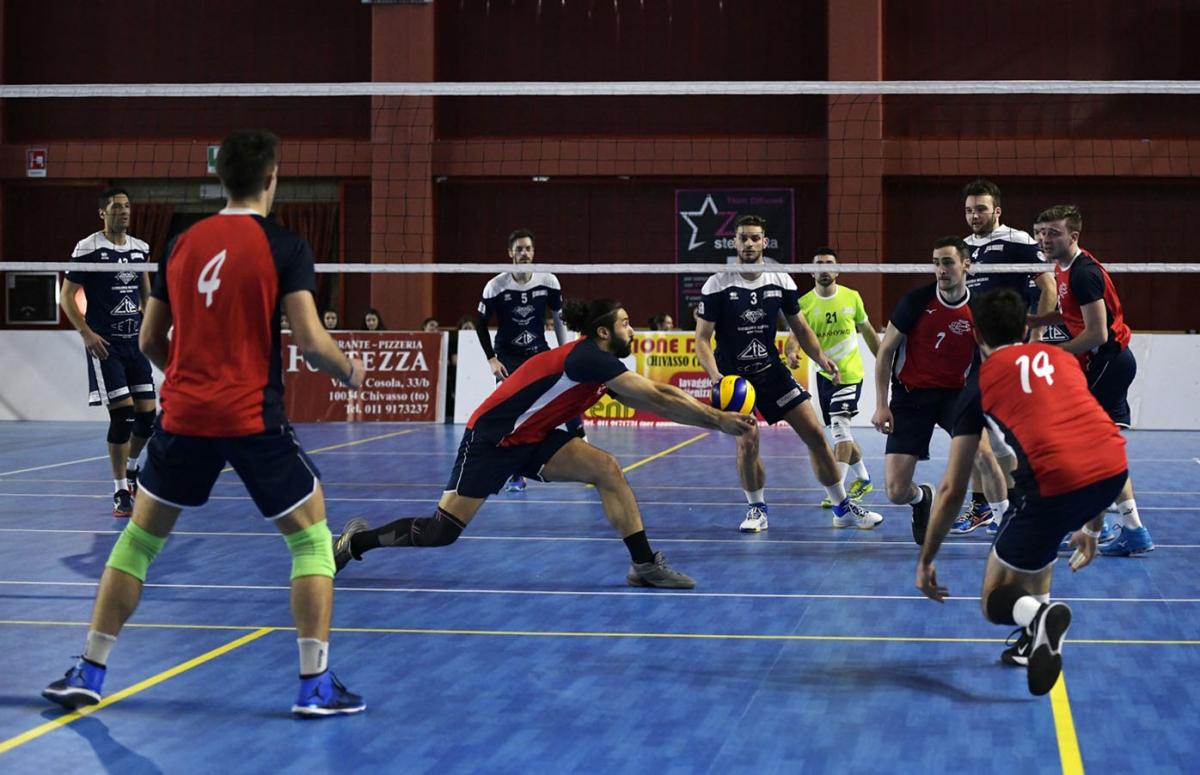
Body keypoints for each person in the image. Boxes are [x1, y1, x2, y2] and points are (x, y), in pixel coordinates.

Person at [42, 130, 368, 717]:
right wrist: (351, 370)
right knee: (313, 538)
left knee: (139, 540)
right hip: (251, 416)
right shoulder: (286, 246)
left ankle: (89, 671)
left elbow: (148, 340)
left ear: (222, 180)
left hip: (186, 414)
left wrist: (192, 377)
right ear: (272, 179)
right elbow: (313, 344)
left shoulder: (180, 244)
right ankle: (314, 684)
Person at [335, 298, 757, 588]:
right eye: (626, 322)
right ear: (603, 331)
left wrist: (713, 421)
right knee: (440, 532)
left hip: (534, 438)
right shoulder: (587, 356)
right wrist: (718, 418)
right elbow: (661, 395)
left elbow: (655, 403)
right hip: (491, 438)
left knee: (606, 469)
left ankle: (644, 565)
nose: (633, 327)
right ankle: (356, 542)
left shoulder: (602, 365)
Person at [915, 288, 1129, 695]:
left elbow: (952, 488)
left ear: (975, 334)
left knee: (994, 599)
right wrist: (1093, 527)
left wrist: (926, 559)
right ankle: (1035, 640)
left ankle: (1037, 619)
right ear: (1024, 325)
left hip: (1052, 486)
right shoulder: (1062, 359)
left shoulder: (978, 386)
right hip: (1113, 470)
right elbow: (1089, 439)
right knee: (1041, 543)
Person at [694, 215, 882, 533]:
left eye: (755, 238)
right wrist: (717, 379)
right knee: (748, 444)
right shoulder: (717, 283)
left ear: (765, 242)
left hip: (772, 372)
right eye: (743, 238)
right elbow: (701, 339)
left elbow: (801, 328)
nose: (749, 243)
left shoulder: (781, 279)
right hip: (735, 380)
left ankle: (842, 507)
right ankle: (757, 509)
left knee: (815, 436)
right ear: (734, 242)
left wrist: (821, 358)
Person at [1028, 204, 1153, 556]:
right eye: (1040, 232)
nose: (1045, 239)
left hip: (1107, 362)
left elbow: (1097, 333)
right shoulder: (1062, 268)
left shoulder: (1083, 274)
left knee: (1080, 447)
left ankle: (1094, 525)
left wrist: (1056, 352)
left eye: (1053, 232)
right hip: (1107, 362)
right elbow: (1073, 315)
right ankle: (1130, 529)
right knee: (1101, 450)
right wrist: (1039, 322)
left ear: (1074, 236)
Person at [952, 179, 1059, 535]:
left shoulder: (1019, 241)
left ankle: (1025, 503)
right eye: (969, 210)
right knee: (970, 430)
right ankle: (982, 506)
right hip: (973, 350)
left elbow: (1048, 286)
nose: (974, 216)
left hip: (1008, 351)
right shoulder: (962, 247)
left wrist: (1038, 335)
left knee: (1016, 433)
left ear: (997, 210)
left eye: (981, 209)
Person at [872, 237, 993, 545]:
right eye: (936, 263)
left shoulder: (979, 308)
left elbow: (990, 356)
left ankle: (1006, 520)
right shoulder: (916, 301)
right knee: (895, 491)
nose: (941, 269)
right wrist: (881, 405)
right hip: (911, 396)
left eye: (948, 262)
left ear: (966, 265)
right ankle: (921, 498)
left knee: (984, 453)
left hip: (955, 395)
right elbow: (886, 351)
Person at [60, 188, 157, 518]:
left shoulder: (140, 249)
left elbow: (146, 296)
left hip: (135, 343)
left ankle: (132, 470)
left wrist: (154, 329)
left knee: (148, 415)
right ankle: (119, 491)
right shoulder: (87, 248)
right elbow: (67, 296)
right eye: (117, 207)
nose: (124, 212)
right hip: (106, 346)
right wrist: (86, 334)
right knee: (123, 414)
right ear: (103, 213)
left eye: (128, 206)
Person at [475, 227, 579, 492]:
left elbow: (558, 318)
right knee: (509, 414)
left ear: (534, 252)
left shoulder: (548, 281)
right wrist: (491, 359)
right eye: (519, 249)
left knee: (565, 394)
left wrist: (564, 350)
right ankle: (515, 474)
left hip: (538, 352)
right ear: (510, 253)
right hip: (508, 356)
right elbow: (480, 323)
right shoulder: (496, 285)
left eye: (528, 249)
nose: (523, 253)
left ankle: (582, 444)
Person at [788, 248, 881, 508]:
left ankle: (838, 496)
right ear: (811, 270)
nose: (824, 268)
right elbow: (794, 338)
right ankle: (863, 478)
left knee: (840, 429)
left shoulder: (852, 297)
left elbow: (869, 331)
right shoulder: (804, 303)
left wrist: (884, 361)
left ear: (838, 270)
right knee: (841, 433)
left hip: (850, 375)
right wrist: (792, 353)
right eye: (819, 264)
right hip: (823, 375)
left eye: (829, 264)